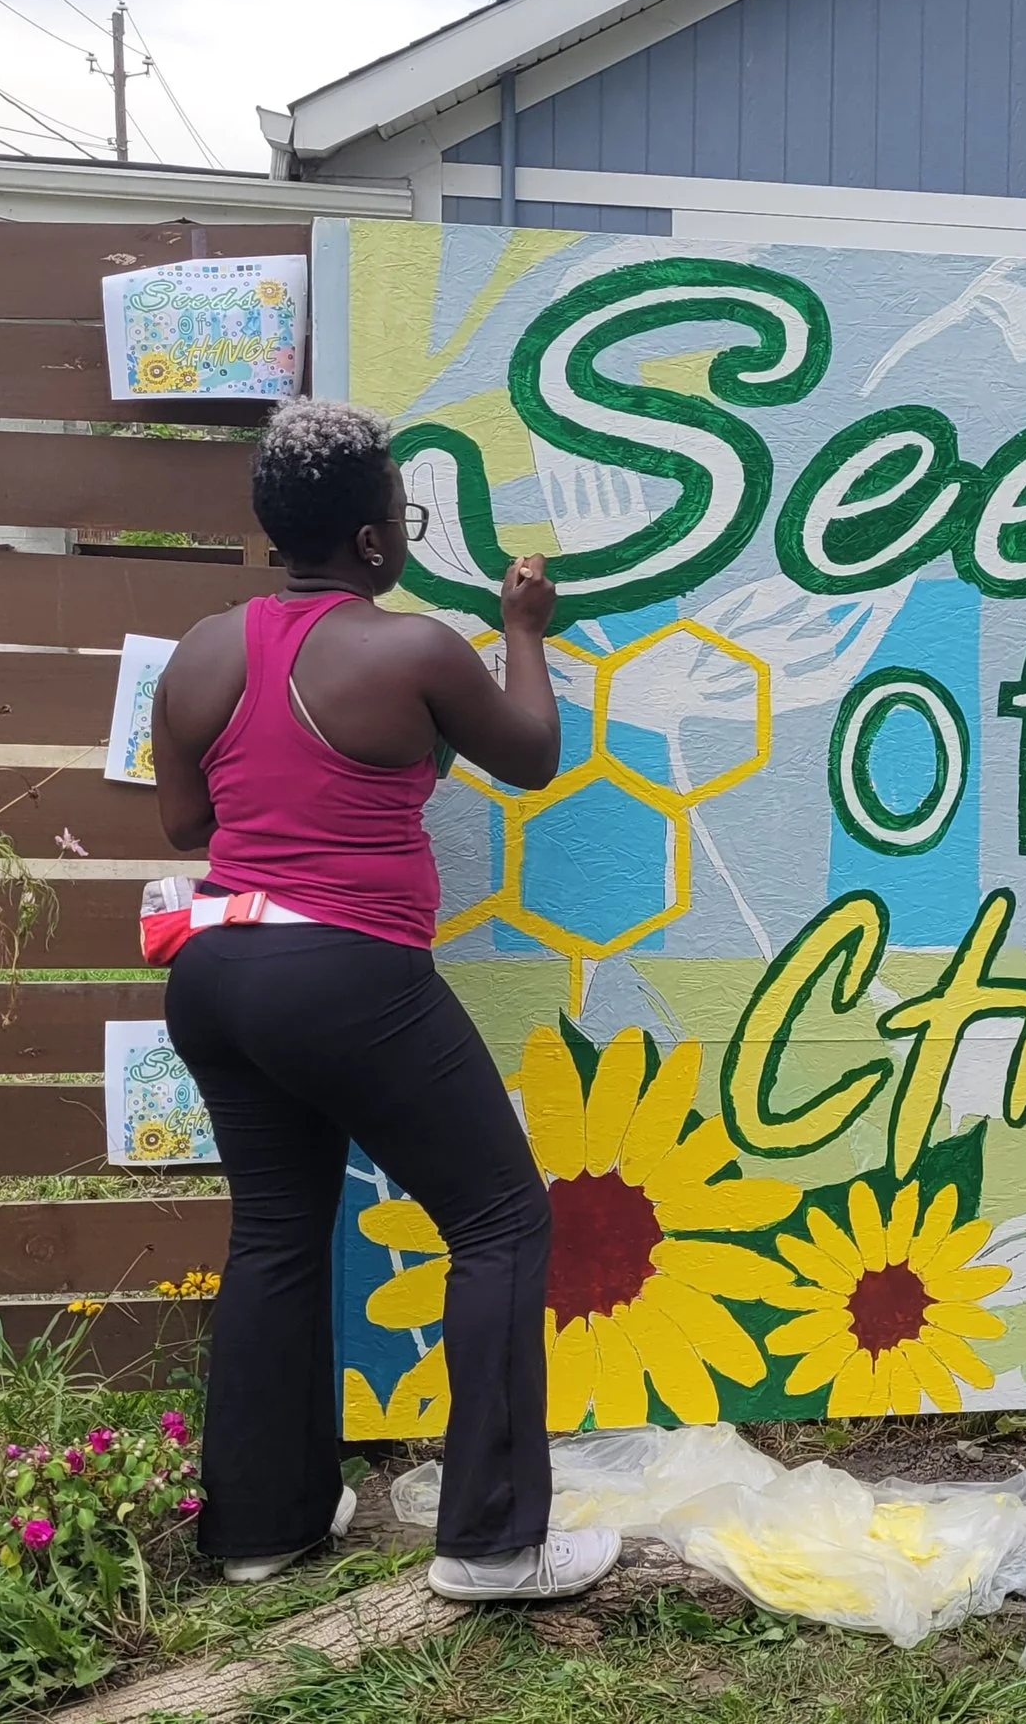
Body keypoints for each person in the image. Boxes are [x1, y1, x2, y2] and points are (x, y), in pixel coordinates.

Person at [152, 398, 617, 1602]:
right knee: (502, 1222)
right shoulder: (411, 649)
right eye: (399, 514)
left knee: (271, 1235)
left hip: (216, 970)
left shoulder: (202, 651)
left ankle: (261, 1525)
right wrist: (523, 628)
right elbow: (528, 752)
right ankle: (493, 1545)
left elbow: (186, 826)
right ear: (372, 541)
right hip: (342, 973)